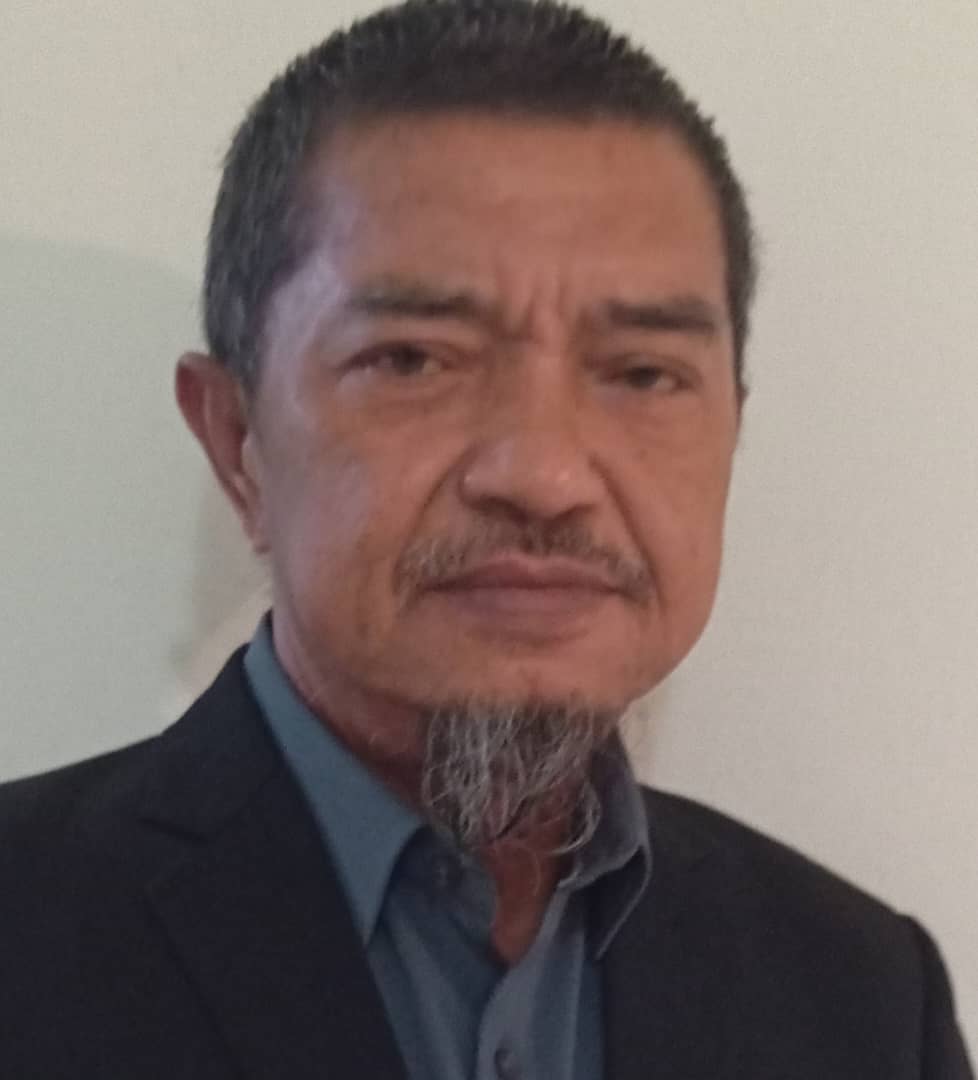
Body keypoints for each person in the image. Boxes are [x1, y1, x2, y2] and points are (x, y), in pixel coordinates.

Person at [0, 1, 972, 1076]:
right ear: (238, 443)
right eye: (414, 359)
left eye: (643, 373)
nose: (544, 477)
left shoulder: (865, 1000)